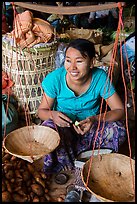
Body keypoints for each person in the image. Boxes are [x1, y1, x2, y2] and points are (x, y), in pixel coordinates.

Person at [38, 38, 126, 174]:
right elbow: (41, 111)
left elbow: (119, 110)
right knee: (48, 128)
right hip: (64, 129)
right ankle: (67, 163)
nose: (72, 67)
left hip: (90, 128)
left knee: (118, 129)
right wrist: (53, 115)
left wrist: (95, 119)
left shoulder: (99, 78)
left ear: (91, 63)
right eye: (68, 60)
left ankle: (91, 160)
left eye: (79, 61)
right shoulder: (55, 79)